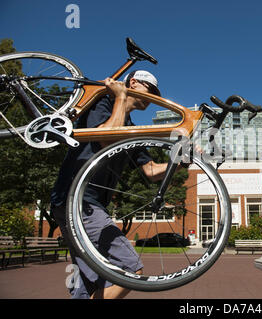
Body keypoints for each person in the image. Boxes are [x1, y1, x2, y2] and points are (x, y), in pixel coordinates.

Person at [50, 70, 172, 299]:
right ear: (133, 83)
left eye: (156, 93)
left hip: (83, 204)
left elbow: (151, 170)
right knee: (129, 268)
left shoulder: (131, 128)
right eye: (150, 89)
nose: (152, 96)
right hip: (77, 200)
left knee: (87, 282)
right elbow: (106, 137)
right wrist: (119, 97)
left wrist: (181, 161)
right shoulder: (101, 102)